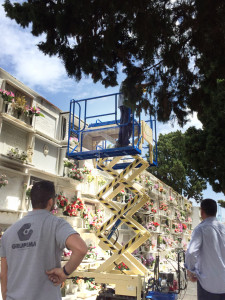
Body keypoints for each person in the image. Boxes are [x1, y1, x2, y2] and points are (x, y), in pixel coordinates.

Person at [0, 180, 88, 300]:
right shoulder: (56, 224)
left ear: (32, 201)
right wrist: (64, 272)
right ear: (51, 202)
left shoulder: (8, 233)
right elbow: (80, 248)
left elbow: (4, 275)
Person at [185, 198, 225, 300]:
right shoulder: (223, 228)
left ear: (202, 211)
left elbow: (190, 252)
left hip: (208, 284)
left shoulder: (201, 229)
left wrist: (190, 272)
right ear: (215, 211)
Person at [115, 83, 132, 147]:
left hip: (122, 104)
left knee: (123, 123)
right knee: (127, 123)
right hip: (127, 103)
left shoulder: (124, 82)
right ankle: (125, 142)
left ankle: (120, 141)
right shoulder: (130, 82)